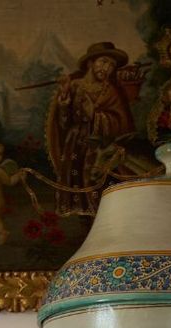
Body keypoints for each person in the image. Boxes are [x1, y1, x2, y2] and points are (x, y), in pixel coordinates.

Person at [47, 41, 139, 214]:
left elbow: (121, 123)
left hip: (99, 148)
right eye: (103, 61)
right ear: (90, 63)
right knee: (76, 184)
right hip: (76, 144)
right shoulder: (75, 86)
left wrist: (96, 117)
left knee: (98, 187)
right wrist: (65, 97)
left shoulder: (111, 91)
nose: (107, 68)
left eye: (111, 65)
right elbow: (64, 123)